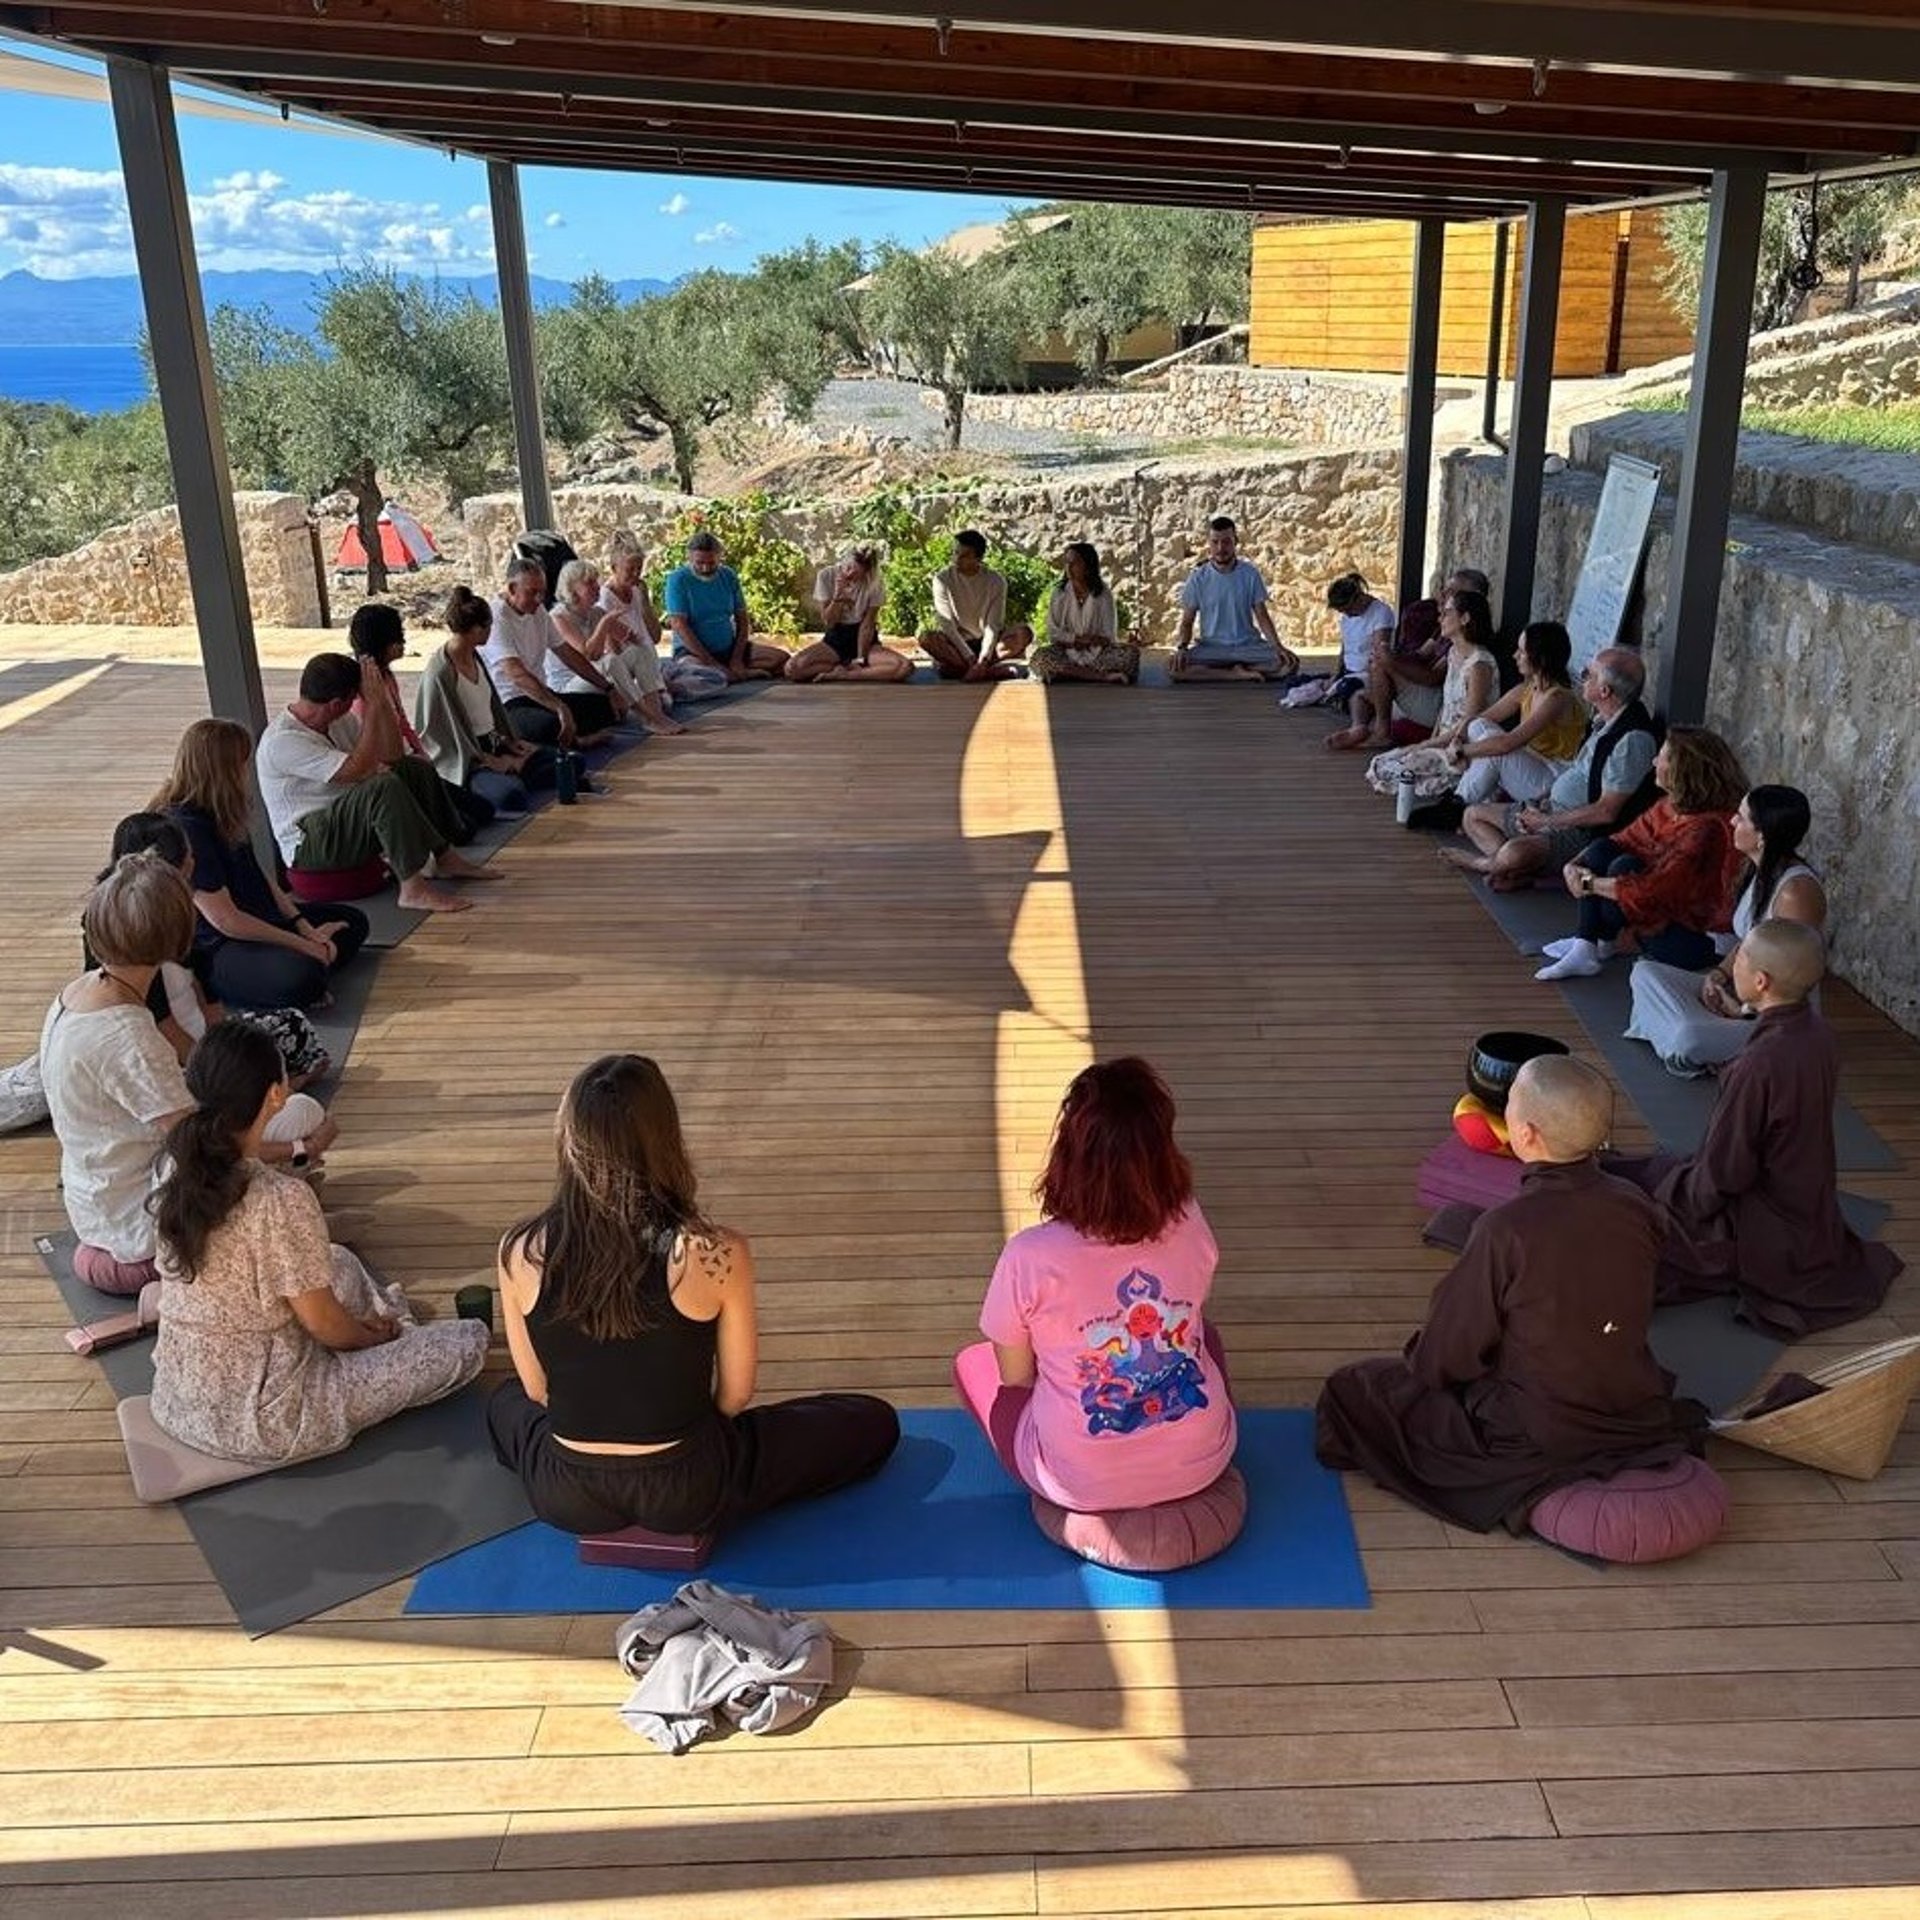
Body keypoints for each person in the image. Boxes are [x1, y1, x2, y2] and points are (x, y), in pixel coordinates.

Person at [488, 1054, 900, 1536]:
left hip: (565, 1491)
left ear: (569, 1142)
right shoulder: (714, 1251)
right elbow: (734, 1395)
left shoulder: (519, 1250)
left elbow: (538, 1391)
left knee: (504, 1401)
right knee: (871, 1420)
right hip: (690, 1486)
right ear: (665, 1139)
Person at [1316, 1055, 1700, 1532]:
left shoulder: (1506, 1230)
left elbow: (1445, 1355)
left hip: (1534, 1424)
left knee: (1354, 1390)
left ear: (1527, 1134)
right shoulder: (1635, 1203)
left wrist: (1429, 1366)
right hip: (1629, 1402)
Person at [148, 1023, 487, 1465]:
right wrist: (368, 1341)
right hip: (267, 1419)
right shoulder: (281, 1199)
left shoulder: (174, 1166)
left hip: (179, 1398)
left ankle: (388, 1323)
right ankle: (393, 1328)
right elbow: (325, 1326)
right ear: (275, 1094)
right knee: (468, 1341)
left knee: (338, 1260)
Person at [39, 856, 333, 1296]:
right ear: (176, 934)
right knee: (301, 1116)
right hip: (140, 1229)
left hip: (98, 1204)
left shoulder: (74, 995)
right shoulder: (127, 1035)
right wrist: (296, 1150)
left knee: (284, 1115)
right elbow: (203, 1148)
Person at [953, 1058, 1237, 1512]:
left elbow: (1017, 1378)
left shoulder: (1030, 1255)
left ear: (1067, 1157)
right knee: (1208, 1339)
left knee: (973, 1366)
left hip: (1077, 1483)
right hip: (1204, 1461)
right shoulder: (1189, 1218)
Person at [1607, 919, 1903, 1337]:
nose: (1733, 965)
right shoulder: (1818, 1033)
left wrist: (1673, 1206)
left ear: (1761, 981)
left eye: (1740, 958)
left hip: (1764, 1220)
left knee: (1634, 1233)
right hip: (1806, 1202)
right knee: (1635, 1173)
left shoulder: (1758, 1065)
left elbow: (1725, 1174)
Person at [93, 813, 330, 1091]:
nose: (194, 863)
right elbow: (163, 1027)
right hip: (166, 1055)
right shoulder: (135, 935)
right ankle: (270, 1091)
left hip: (199, 1035)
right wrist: (215, 1073)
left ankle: (269, 1086)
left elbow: (209, 998)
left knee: (292, 1025)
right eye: (188, 857)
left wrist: (223, 1043)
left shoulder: (179, 912)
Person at [151, 718, 370, 1011]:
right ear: (225, 771)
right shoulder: (187, 828)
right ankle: (302, 968)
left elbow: (262, 878)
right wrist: (304, 945)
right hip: (221, 943)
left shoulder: (224, 812)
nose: (247, 772)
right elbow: (226, 921)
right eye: (243, 763)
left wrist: (303, 927)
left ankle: (313, 960)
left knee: (353, 921)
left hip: (260, 917)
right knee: (301, 978)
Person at [255, 652, 496, 915]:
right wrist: (373, 709)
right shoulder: (283, 740)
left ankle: (446, 857)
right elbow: (356, 770)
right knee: (383, 787)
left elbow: (392, 755)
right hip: (309, 843)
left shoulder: (340, 720)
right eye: (356, 698)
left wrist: (382, 705)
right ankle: (412, 889)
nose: (358, 702)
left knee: (413, 768)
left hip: (344, 820)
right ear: (337, 703)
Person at [1626, 785, 1828, 1078]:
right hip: (1741, 997)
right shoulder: (1759, 870)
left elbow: (1794, 982)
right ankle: (1707, 1051)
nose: (1732, 821)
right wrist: (1717, 977)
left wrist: (1741, 1009)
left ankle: (1693, 1046)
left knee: (1689, 1038)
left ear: (1762, 836)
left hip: (1777, 1024)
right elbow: (1749, 941)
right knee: (1644, 973)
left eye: (1742, 817)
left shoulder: (1795, 893)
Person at [1534, 725, 1749, 983]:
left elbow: (1651, 891)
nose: (1654, 761)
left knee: (1622, 868)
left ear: (1683, 770)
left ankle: (1596, 942)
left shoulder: (1709, 828)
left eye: (1662, 757)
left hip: (1697, 941)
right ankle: (1587, 944)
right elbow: (1619, 839)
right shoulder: (1669, 806)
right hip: (1664, 917)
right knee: (1605, 850)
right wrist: (1572, 865)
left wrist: (1587, 883)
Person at [1439, 648, 1659, 890]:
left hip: (1578, 830)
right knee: (1472, 815)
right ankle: (1514, 866)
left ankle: (1488, 864)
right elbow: (1576, 773)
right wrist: (1539, 803)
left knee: (1514, 853)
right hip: (1551, 809)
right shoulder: (1603, 721)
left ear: (1604, 691)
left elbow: (1606, 812)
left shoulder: (1632, 740)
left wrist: (1548, 820)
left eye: (1589, 674)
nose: (1582, 677)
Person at [345, 602, 492, 843]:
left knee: (483, 810)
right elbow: (384, 753)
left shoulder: (387, 676)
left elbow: (403, 722)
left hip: (414, 764)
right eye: (398, 637)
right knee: (464, 830)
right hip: (394, 772)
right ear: (385, 643)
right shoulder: (364, 689)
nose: (403, 643)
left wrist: (422, 754)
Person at [413, 587, 556, 818]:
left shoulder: (474, 654)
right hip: (469, 758)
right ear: (476, 630)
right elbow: (435, 735)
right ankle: (506, 775)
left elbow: (491, 712)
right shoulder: (440, 673)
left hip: (495, 745)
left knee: (568, 762)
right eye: (489, 626)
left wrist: (508, 744)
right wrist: (486, 760)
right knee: (512, 796)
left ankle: (513, 770)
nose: (491, 631)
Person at [1361, 589, 1499, 801]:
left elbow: (1468, 722)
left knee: (1393, 768)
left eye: (1446, 613)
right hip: (1443, 740)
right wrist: (1430, 740)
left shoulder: (1479, 665)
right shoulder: (1454, 653)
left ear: (1465, 618)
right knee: (1382, 763)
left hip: (1461, 747)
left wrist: (1424, 746)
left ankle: (1447, 781)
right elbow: (1446, 706)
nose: (1440, 618)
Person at [1335, 567, 1491, 748]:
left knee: (1377, 669)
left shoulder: (1475, 656)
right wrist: (1392, 655)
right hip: (1441, 713)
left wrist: (1391, 662)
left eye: (1451, 592)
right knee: (1361, 691)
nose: (1442, 594)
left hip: (1440, 709)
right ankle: (1362, 727)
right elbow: (1420, 655)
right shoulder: (1450, 635)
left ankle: (1381, 732)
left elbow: (1434, 680)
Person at [484, 556, 619, 748]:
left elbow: (567, 653)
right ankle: (578, 742)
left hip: (542, 695)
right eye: (532, 593)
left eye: (542, 593)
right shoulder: (497, 618)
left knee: (604, 707)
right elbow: (518, 675)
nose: (539, 599)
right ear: (512, 589)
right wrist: (558, 707)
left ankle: (568, 739)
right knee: (550, 725)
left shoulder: (539, 612)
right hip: (510, 702)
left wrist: (608, 688)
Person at [1449, 620, 1587, 807]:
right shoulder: (1527, 690)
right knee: (1478, 727)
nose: (1515, 656)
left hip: (1550, 779)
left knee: (1496, 750)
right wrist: (1458, 738)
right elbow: (1477, 720)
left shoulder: (1557, 699)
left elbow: (1507, 744)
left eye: (1522, 651)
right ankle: (1459, 802)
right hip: (1528, 767)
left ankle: (1456, 806)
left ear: (1541, 658)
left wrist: (1461, 752)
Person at [1170, 517, 1299, 683]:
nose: (1220, 548)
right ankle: (1236, 674)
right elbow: (1187, 621)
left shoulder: (1250, 574)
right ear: (1209, 543)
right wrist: (1182, 648)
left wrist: (1278, 647)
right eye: (1215, 542)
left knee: (1290, 664)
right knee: (1171, 668)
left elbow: (1262, 615)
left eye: (1226, 542)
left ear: (1235, 542)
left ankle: (1230, 671)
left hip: (1246, 646)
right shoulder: (1198, 578)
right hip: (1212, 648)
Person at [552, 556, 672, 730]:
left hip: (596, 677)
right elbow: (588, 654)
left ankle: (656, 713)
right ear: (572, 589)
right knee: (610, 661)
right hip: (569, 685)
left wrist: (635, 615)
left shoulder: (595, 612)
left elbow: (634, 638)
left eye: (596, 582)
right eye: (589, 583)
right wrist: (605, 623)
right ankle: (647, 718)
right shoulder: (559, 618)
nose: (597, 587)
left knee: (640, 652)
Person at [661, 530, 788, 694]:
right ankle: (731, 675)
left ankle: (731, 674)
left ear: (720, 557)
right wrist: (712, 663)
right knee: (700, 674)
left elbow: (742, 620)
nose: (706, 568)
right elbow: (679, 625)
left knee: (780, 659)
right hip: (693, 654)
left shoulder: (728, 575)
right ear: (689, 557)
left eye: (711, 563)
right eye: (700, 563)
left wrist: (736, 659)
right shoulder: (678, 579)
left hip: (728, 649)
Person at [597, 531, 687, 734]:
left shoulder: (637, 592)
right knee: (664, 697)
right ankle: (653, 716)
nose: (636, 574)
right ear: (614, 568)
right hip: (627, 668)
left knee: (710, 680)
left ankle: (658, 700)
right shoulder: (605, 599)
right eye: (630, 569)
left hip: (648, 666)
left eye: (639, 569)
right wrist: (642, 685)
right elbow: (613, 652)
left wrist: (645, 601)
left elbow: (655, 637)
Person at [787, 547, 912, 684]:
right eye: (849, 567)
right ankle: (846, 668)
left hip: (863, 639)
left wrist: (860, 659)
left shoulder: (874, 583)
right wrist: (838, 597)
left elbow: (867, 625)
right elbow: (829, 623)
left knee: (904, 667)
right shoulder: (826, 576)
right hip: (836, 637)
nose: (850, 573)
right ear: (844, 561)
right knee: (793, 669)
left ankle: (846, 675)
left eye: (857, 572)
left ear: (866, 573)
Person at [921, 529, 1033, 682]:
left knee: (1023, 633)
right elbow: (947, 625)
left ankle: (967, 670)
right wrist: (970, 658)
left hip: (988, 645)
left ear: (978, 558)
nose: (957, 559)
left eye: (965, 555)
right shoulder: (942, 579)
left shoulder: (996, 581)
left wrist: (983, 659)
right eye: (955, 553)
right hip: (957, 645)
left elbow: (993, 626)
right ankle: (986, 672)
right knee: (927, 638)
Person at [1030, 542, 1140, 685]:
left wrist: (1091, 642)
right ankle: (1101, 677)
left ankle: (1069, 673)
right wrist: (1076, 640)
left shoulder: (1103, 594)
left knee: (1131, 655)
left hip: (1097, 654)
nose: (1069, 567)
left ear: (1088, 566)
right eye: (1067, 563)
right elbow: (1053, 632)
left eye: (1075, 563)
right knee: (1041, 657)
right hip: (1066, 652)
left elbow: (1108, 635)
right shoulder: (1059, 593)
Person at [1318, 573, 1396, 746]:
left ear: (1358, 598)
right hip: (1349, 672)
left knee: (1354, 693)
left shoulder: (1381, 613)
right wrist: (1337, 674)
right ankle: (1359, 720)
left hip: (1368, 674)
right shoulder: (1348, 616)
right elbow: (1345, 646)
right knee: (1304, 685)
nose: (1345, 614)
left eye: (1347, 609)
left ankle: (1357, 728)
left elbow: (1379, 653)